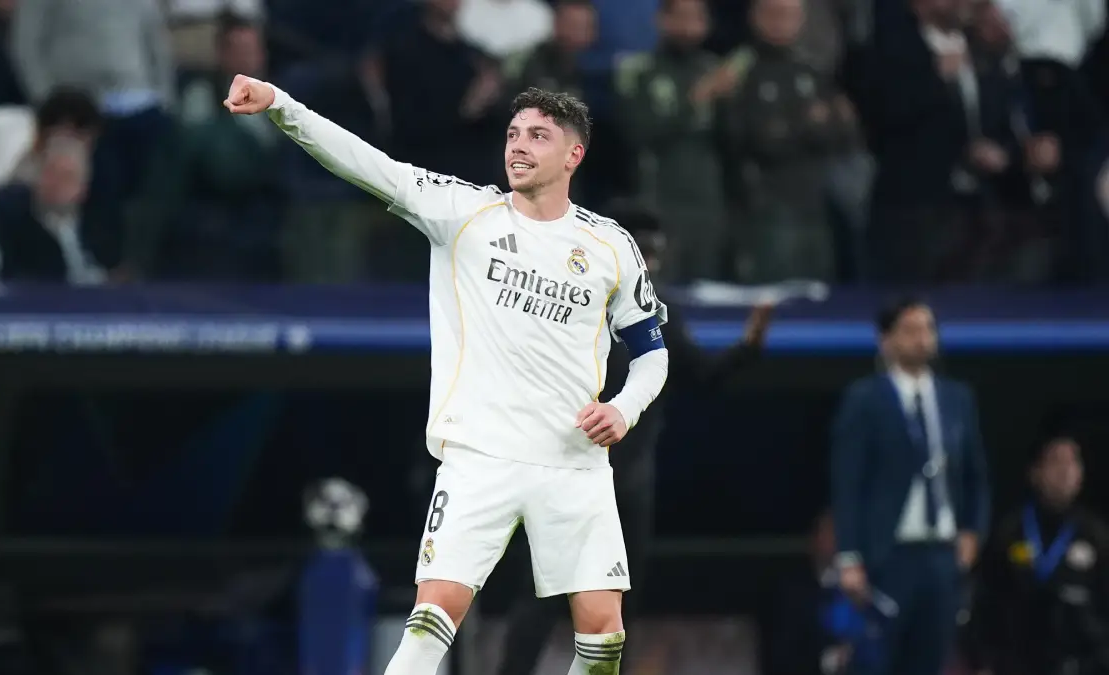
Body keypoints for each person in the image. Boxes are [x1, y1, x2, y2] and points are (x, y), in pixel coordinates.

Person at [224, 77, 670, 675]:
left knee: (602, 629)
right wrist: (282, 106)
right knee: (434, 613)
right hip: (480, 454)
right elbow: (367, 164)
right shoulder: (463, 212)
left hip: (574, 461)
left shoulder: (610, 245)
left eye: (538, 136)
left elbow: (651, 354)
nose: (519, 145)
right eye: (513, 133)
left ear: (574, 155)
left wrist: (622, 408)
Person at [497, 202, 772, 675]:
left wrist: (749, 346)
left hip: (629, 485)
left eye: (656, 253)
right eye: (642, 250)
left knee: (618, 602)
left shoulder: (658, 315)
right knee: (544, 591)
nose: (650, 262)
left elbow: (701, 376)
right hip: (568, 474)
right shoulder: (565, 303)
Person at [830, 297, 990, 675]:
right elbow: (847, 482)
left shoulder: (957, 399)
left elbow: (976, 475)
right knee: (878, 660)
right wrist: (849, 556)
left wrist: (973, 532)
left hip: (942, 555)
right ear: (886, 340)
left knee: (931, 659)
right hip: (889, 555)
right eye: (911, 330)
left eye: (928, 329)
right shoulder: (865, 399)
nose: (922, 338)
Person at [968, 437, 1109, 675]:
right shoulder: (1010, 531)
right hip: (1017, 663)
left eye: (1073, 462)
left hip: (1081, 663)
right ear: (1035, 473)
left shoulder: (1096, 536)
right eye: (1056, 461)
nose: (1065, 471)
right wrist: (982, 660)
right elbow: (985, 601)